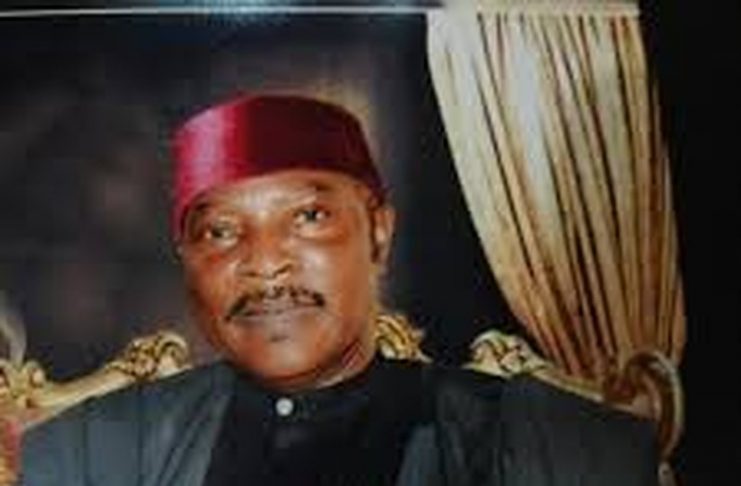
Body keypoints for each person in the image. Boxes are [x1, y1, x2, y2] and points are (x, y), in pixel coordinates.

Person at [20, 94, 658, 485]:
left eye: (309, 217)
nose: (265, 263)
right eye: (220, 231)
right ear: (186, 260)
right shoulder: (93, 452)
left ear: (378, 233)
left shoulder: (546, 443)